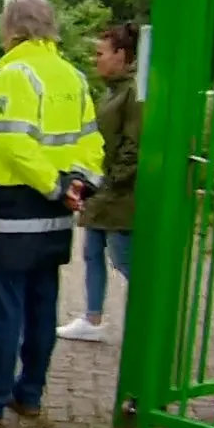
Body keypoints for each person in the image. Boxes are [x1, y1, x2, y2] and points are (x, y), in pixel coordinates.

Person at [0, 0, 105, 424]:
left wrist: (55, 187)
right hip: (54, 210)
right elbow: (91, 138)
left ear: (11, 27)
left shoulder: (14, 74)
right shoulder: (72, 76)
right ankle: (29, 393)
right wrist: (82, 184)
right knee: (41, 303)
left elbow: (16, 145)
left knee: (2, 309)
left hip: (9, 208)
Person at [59, 22, 140, 343]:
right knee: (92, 252)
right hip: (100, 187)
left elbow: (133, 146)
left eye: (101, 54)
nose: (96, 60)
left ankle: (152, 312)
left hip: (116, 194)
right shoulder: (115, 90)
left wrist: (111, 181)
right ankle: (92, 319)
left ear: (122, 54)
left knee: (122, 257)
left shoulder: (132, 93)